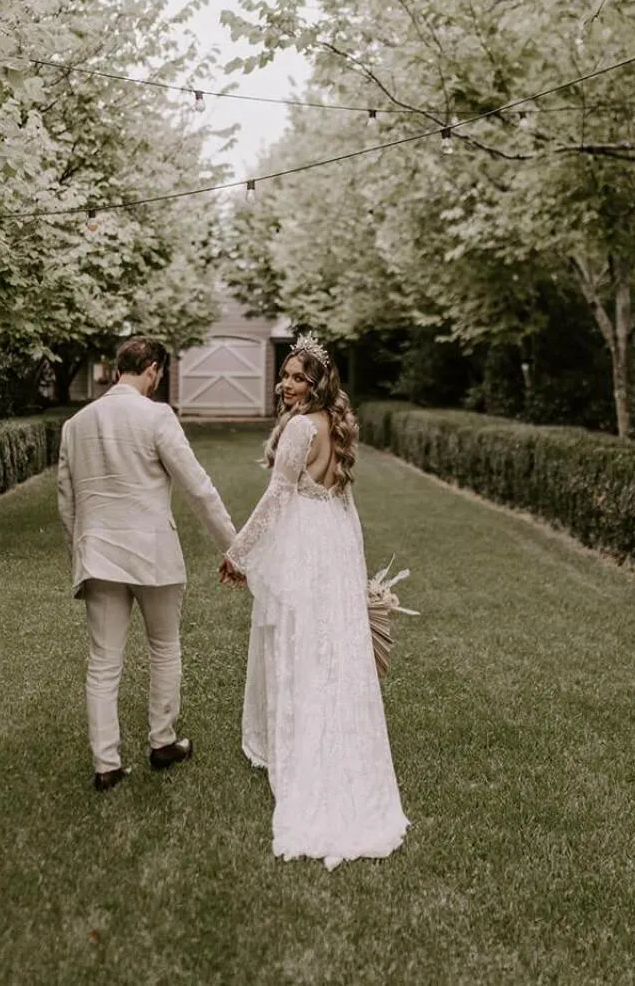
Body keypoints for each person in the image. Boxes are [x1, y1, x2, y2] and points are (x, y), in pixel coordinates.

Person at [221, 333, 409, 868]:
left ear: (317, 384)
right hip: (332, 541)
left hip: (305, 543)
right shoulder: (337, 425)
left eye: (298, 378)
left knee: (301, 643)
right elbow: (345, 505)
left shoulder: (302, 427)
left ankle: (303, 747)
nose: (286, 384)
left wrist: (238, 552)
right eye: (284, 375)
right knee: (330, 647)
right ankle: (334, 737)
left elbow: (277, 497)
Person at [57, 336, 239, 792]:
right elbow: (198, 488)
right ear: (153, 369)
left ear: (120, 367)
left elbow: (67, 501)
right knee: (164, 646)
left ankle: (106, 764)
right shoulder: (157, 416)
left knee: (103, 661)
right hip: (153, 554)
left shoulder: (76, 424)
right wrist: (234, 547)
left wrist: (80, 554)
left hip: (98, 555)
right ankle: (162, 741)